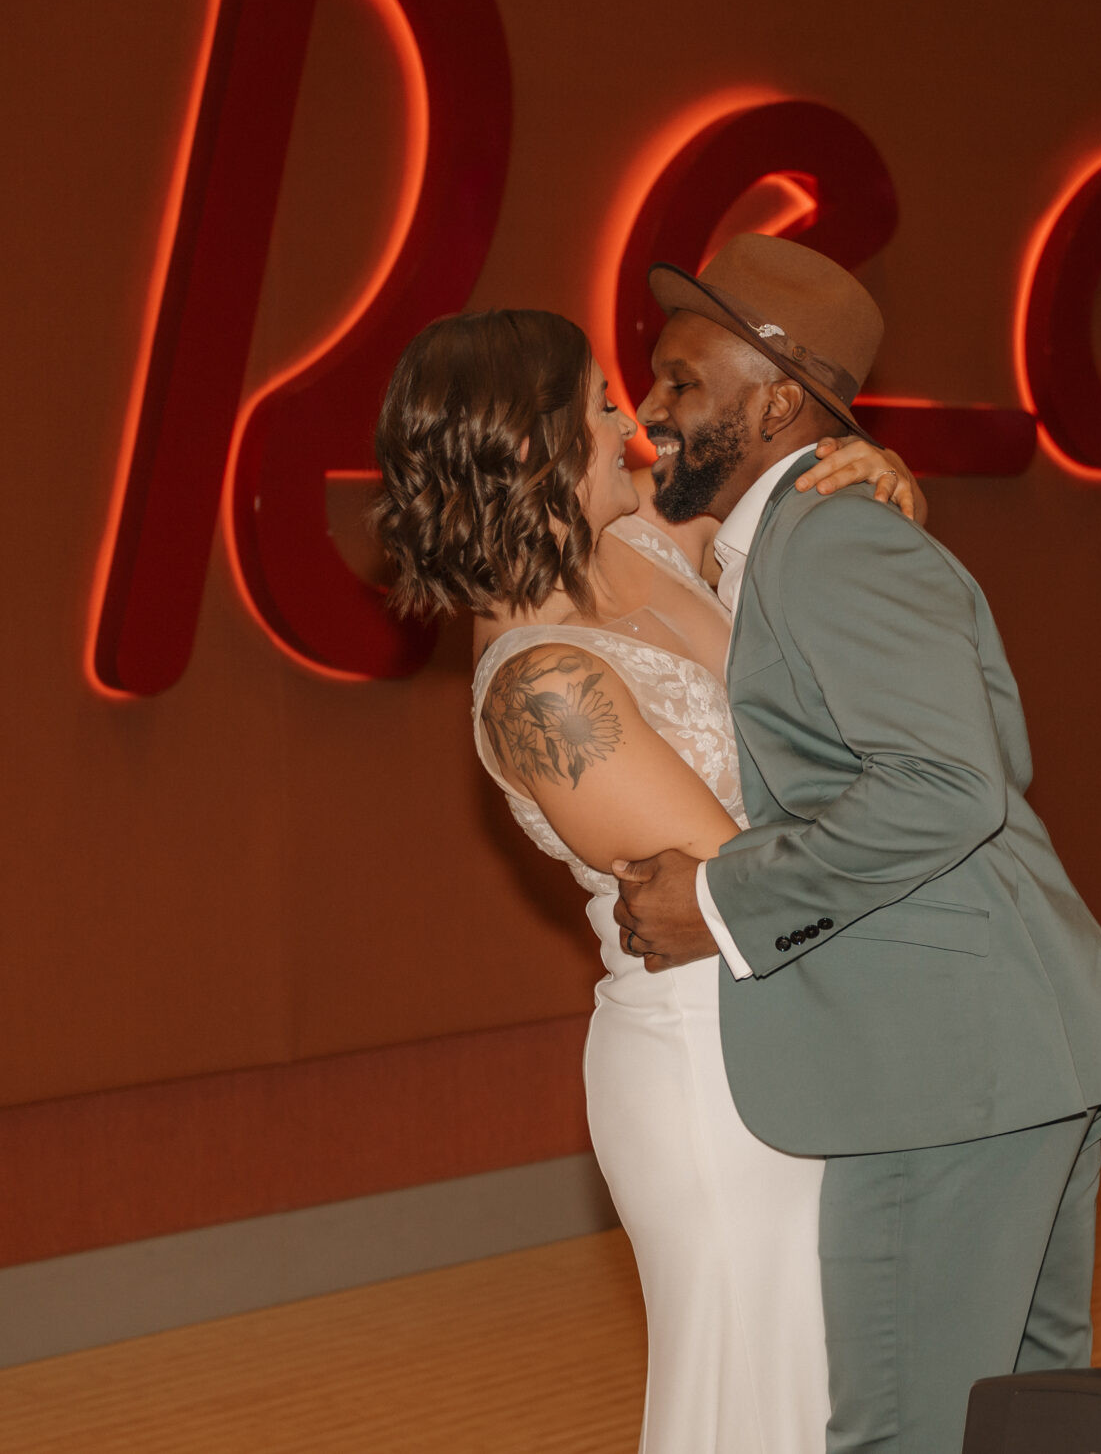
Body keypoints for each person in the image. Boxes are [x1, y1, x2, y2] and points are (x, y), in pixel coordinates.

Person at [612, 233, 1101, 1454]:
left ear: (773, 401)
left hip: (945, 1066)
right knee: (1018, 1426)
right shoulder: (808, 532)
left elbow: (948, 786)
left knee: (911, 1435)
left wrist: (719, 900)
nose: (653, 411)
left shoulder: (835, 543)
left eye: (679, 382)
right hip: (1003, 1053)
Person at [368, 305, 922, 1454]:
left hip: (810, 1027)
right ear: (537, 450)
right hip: (716, 1075)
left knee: (848, 1390)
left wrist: (872, 482)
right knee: (764, 1399)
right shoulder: (541, 691)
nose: (637, 428)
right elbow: (756, 877)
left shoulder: (641, 546)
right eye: (603, 408)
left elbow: (807, 547)